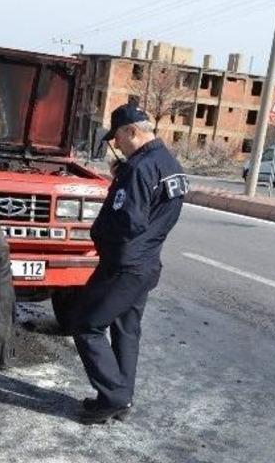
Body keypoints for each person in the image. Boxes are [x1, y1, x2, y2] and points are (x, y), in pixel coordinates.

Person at [72, 103, 189, 424]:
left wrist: (100, 235)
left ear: (131, 132)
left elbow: (128, 222)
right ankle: (122, 399)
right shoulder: (169, 163)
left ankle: (114, 396)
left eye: (118, 138)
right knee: (126, 330)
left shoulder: (140, 169)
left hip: (124, 265)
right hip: (148, 263)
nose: (117, 145)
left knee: (86, 325)